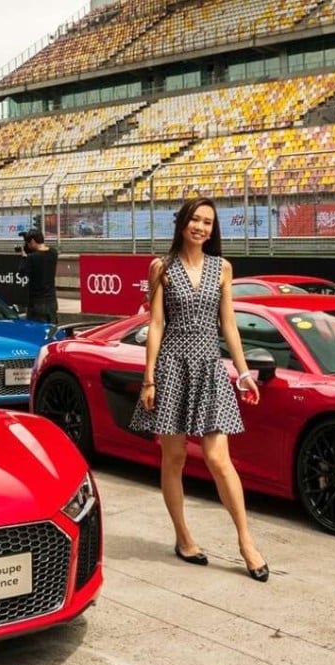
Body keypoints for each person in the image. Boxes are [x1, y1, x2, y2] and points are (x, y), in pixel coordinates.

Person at [128, 197, 268, 583]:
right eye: (195, 219)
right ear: (183, 223)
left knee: (219, 458)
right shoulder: (162, 267)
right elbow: (156, 324)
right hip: (172, 366)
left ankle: (246, 542)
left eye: (208, 222)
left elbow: (230, 326)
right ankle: (184, 537)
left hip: (209, 367)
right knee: (173, 459)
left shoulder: (222, 268)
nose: (201, 227)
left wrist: (243, 373)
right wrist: (149, 377)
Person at [18, 228, 59, 323]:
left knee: (36, 332)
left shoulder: (32, 258)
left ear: (32, 241)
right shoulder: (53, 253)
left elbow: (22, 272)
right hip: (51, 302)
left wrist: (24, 257)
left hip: (37, 304)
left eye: (28, 243)